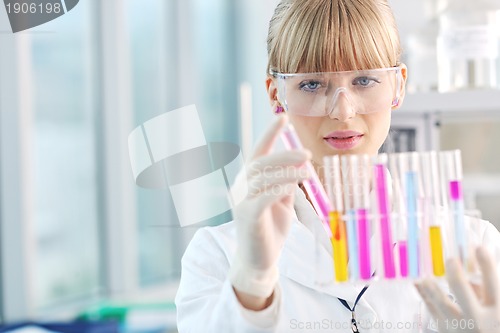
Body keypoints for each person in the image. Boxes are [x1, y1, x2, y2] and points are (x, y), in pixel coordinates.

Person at [175, 0, 500, 332]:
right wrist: (251, 282)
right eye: (312, 84)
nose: (342, 111)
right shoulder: (218, 257)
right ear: (276, 94)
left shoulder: (476, 245)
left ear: (398, 86)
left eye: (364, 81)